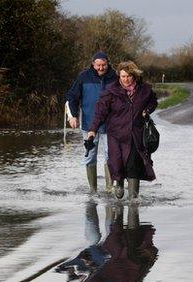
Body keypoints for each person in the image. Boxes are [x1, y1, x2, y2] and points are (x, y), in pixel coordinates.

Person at [87, 61, 158, 200]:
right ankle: (118, 183)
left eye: (129, 76)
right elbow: (100, 113)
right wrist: (92, 130)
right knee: (117, 164)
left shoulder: (145, 90)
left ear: (135, 76)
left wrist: (147, 110)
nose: (126, 79)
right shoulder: (111, 91)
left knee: (133, 166)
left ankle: (133, 199)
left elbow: (153, 101)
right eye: (123, 76)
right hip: (116, 136)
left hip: (135, 135)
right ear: (119, 75)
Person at [66, 52, 118, 193]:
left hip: (110, 125)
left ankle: (109, 188)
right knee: (90, 156)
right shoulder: (84, 77)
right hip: (89, 125)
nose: (101, 68)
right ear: (93, 64)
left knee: (111, 155)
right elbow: (72, 96)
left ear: (108, 64)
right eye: (98, 65)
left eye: (104, 65)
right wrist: (73, 116)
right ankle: (93, 190)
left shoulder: (116, 77)